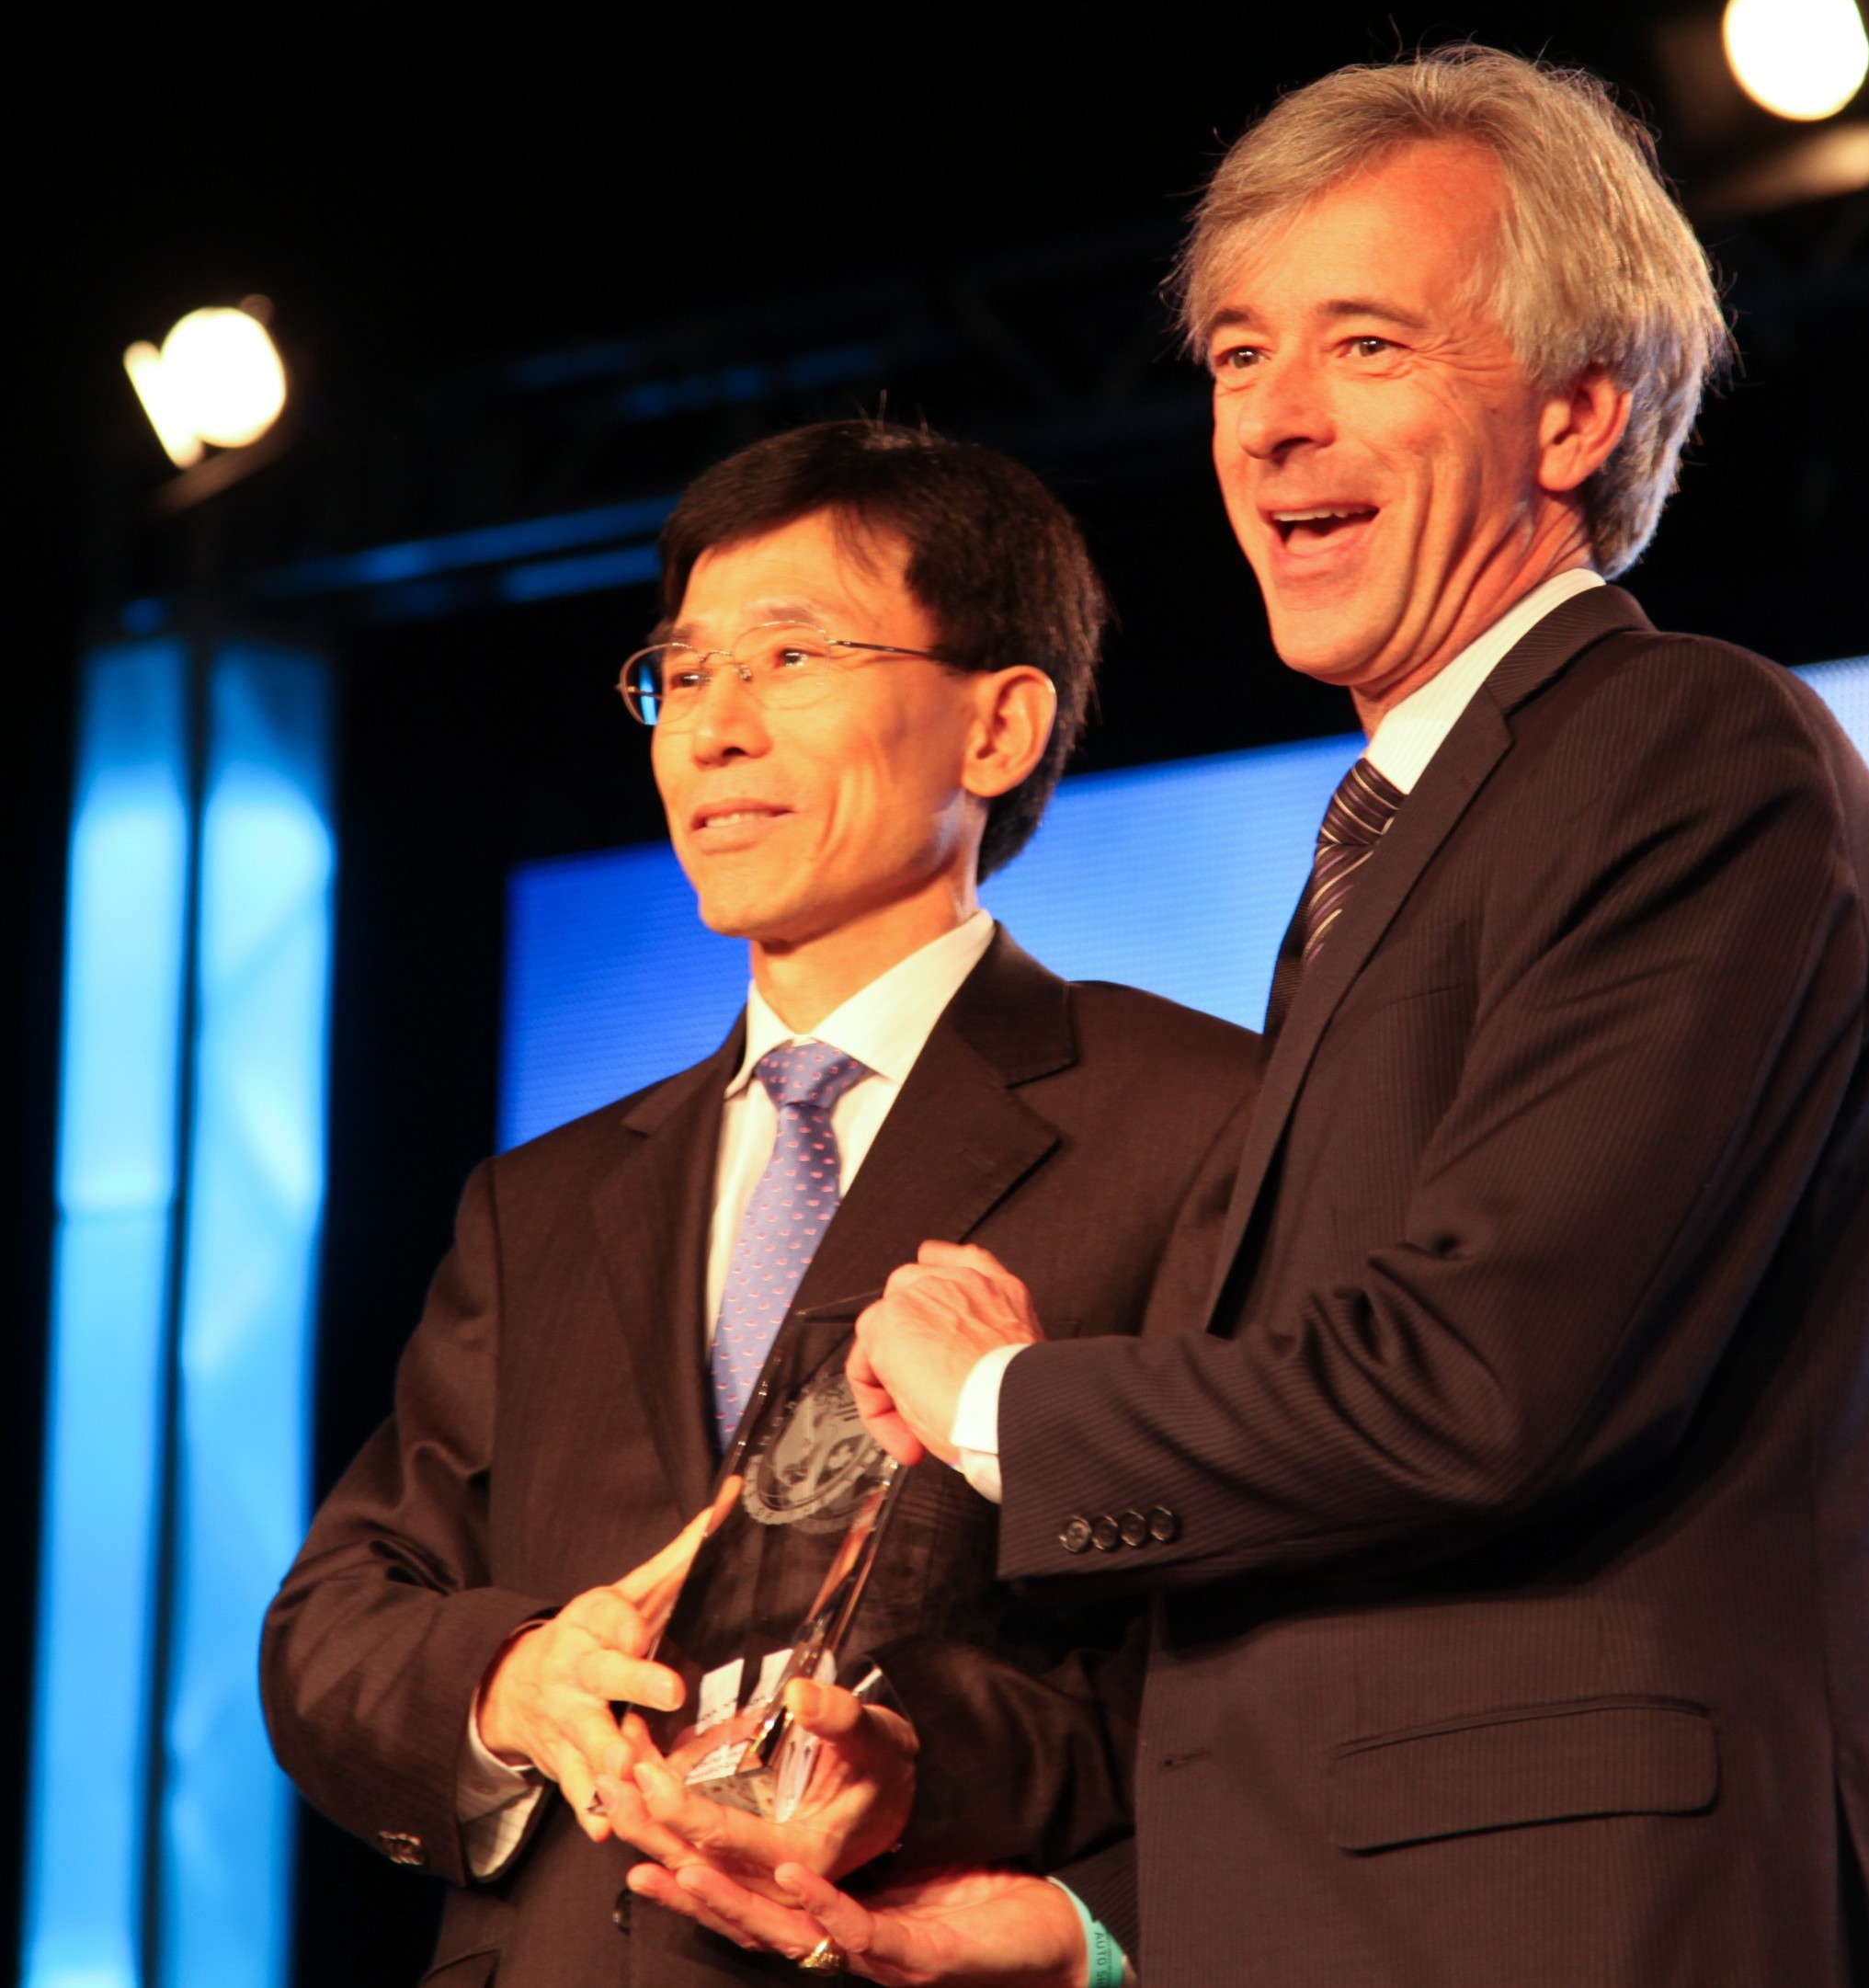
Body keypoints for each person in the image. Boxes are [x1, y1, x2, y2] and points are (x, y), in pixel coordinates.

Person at [732, 48, 1869, 1985]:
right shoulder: (1396, 843)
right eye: (1234, 355)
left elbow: (1476, 1382)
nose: (1274, 424)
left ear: (1573, 410)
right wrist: (1080, 1926)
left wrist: (1000, 1401)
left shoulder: (1683, 756)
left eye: (1363, 344)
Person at [260, 420, 1258, 1986]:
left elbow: (1250, 1675)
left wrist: (932, 1766)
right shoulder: (548, 1198)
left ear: (996, 726)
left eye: (792, 658)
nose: (712, 729)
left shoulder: (1197, 1119)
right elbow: (335, 1622)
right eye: (682, 671)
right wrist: (511, 1681)